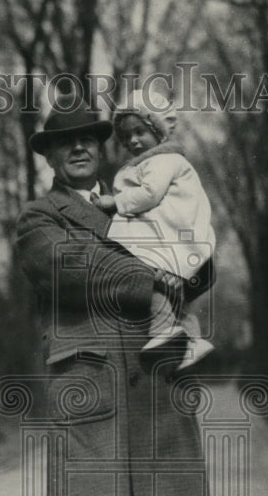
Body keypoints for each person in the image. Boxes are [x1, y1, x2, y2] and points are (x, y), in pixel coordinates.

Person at [16, 105, 214, 496]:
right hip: (90, 378)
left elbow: (200, 257)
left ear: (101, 148)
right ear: (49, 156)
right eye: (65, 143)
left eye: (88, 140)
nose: (79, 149)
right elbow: (66, 269)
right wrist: (156, 276)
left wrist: (188, 268)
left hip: (157, 375)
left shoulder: (142, 193)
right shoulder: (39, 217)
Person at [92, 98, 215, 371]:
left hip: (168, 233)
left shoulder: (162, 160)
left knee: (152, 278)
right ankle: (191, 339)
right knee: (174, 296)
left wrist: (116, 202)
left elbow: (150, 194)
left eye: (140, 132)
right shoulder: (150, 163)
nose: (133, 141)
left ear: (157, 132)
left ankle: (162, 329)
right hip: (166, 232)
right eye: (126, 137)